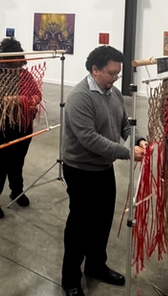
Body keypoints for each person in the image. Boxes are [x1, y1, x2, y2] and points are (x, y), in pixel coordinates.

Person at [61, 45, 146, 296]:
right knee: (79, 227)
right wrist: (126, 152)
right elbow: (89, 138)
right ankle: (70, 279)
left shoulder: (113, 93)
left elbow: (124, 124)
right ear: (95, 69)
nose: (115, 78)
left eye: (118, 73)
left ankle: (96, 266)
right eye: (111, 73)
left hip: (103, 168)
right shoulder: (80, 97)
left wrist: (138, 139)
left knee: (102, 221)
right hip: (80, 170)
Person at [0, 37, 42, 218]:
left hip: (22, 125)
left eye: (20, 64)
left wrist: (32, 100)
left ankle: (16, 190)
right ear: (5, 62)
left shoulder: (25, 76)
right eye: (14, 64)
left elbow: (37, 93)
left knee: (18, 160)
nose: (17, 68)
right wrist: (22, 100)